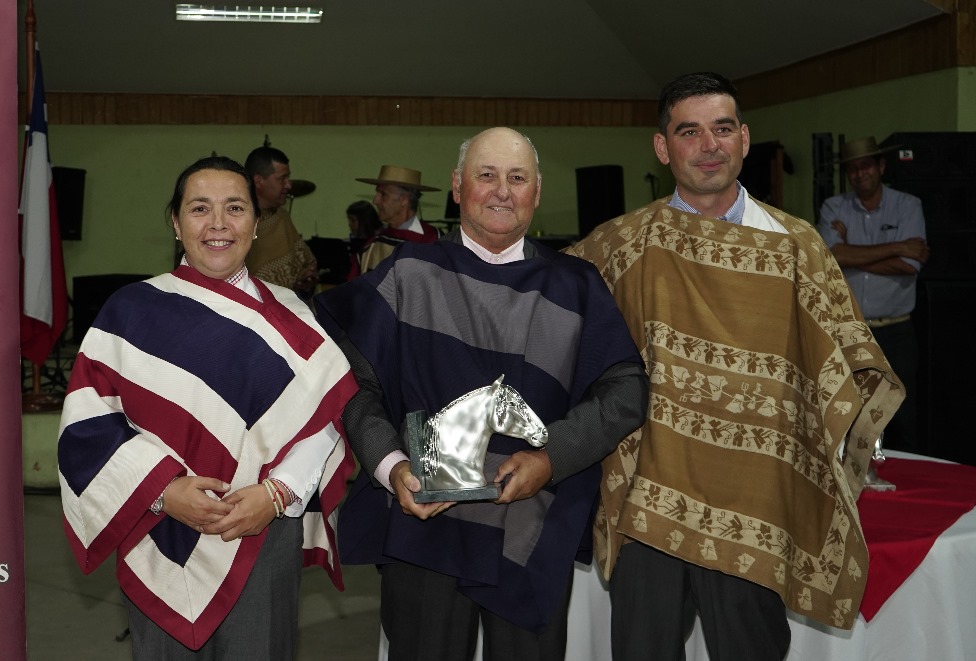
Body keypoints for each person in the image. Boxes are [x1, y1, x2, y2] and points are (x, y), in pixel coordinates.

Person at [566, 72, 903, 660]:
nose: (709, 146)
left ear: (744, 139)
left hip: (757, 505)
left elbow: (850, 362)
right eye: (689, 132)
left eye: (722, 129)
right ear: (662, 147)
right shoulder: (620, 246)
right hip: (651, 499)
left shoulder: (798, 248)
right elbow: (549, 322)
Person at [317, 128, 648, 661]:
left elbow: (626, 390)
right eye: (486, 175)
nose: (501, 191)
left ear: (537, 191)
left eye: (517, 178)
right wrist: (390, 465)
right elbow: (351, 382)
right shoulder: (409, 274)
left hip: (530, 528)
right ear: (457, 186)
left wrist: (553, 457)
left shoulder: (576, 286)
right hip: (424, 524)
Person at [58, 155, 357, 658]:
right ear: (176, 223)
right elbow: (87, 426)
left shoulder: (295, 317)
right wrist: (162, 491)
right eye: (200, 208)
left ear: (256, 223)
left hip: (263, 534)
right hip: (158, 528)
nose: (218, 224)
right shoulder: (129, 312)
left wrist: (278, 494)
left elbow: (324, 423)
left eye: (235, 208)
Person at [818, 136, 928, 452]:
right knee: (852, 413)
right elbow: (830, 258)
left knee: (902, 416)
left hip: (896, 331)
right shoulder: (833, 207)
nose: (859, 174)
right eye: (852, 168)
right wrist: (898, 246)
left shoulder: (908, 205)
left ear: (880, 166)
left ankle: (905, 479)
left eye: (865, 165)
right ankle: (858, 479)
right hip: (849, 331)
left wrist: (849, 252)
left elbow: (909, 266)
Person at [244, 145, 320, 300]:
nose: (288, 185)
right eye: (281, 179)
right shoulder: (237, 221)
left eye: (288, 178)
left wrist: (304, 282)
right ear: (259, 180)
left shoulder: (282, 217)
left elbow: (304, 266)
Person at [354, 164, 442, 274]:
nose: (375, 201)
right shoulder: (373, 245)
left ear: (404, 199)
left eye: (383, 194)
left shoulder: (433, 241)